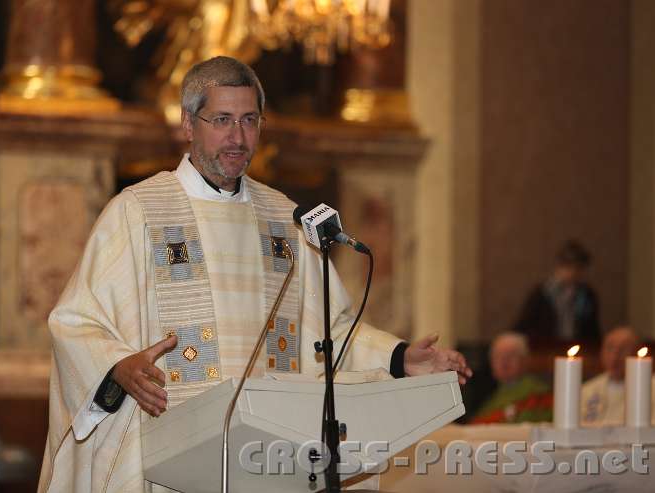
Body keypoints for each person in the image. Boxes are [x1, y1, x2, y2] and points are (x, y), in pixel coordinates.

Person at [37, 56, 472, 492]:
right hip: (167, 451)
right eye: (222, 120)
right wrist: (117, 366)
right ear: (189, 124)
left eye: (249, 120)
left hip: (267, 452)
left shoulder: (284, 219)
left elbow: (326, 329)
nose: (237, 137)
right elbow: (76, 322)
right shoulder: (138, 213)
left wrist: (399, 358)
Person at [513, 240, 600, 344]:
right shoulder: (542, 293)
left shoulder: (586, 295)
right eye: (569, 266)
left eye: (578, 268)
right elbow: (524, 324)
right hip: (547, 347)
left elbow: (592, 327)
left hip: (576, 345)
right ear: (559, 266)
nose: (573, 272)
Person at [470, 332, 552, 424]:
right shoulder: (485, 396)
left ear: (525, 360)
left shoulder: (540, 394)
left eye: (511, 355)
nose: (504, 361)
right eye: (498, 356)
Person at [581, 326, 655, 426]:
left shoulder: (651, 389)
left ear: (636, 351)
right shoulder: (587, 390)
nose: (614, 356)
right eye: (610, 348)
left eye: (623, 349)